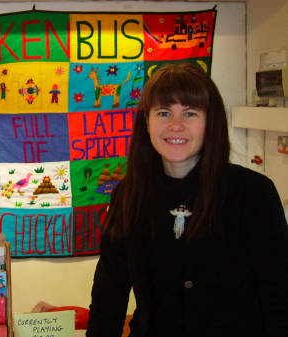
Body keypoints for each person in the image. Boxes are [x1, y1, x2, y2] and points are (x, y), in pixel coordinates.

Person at [86, 63, 288, 337]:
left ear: (210, 122)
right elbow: (108, 297)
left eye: (190, 113)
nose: (175, 125)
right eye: (164, 112)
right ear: (146, 122)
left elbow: (279, 298)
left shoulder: (253, 193)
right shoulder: (128, 196)